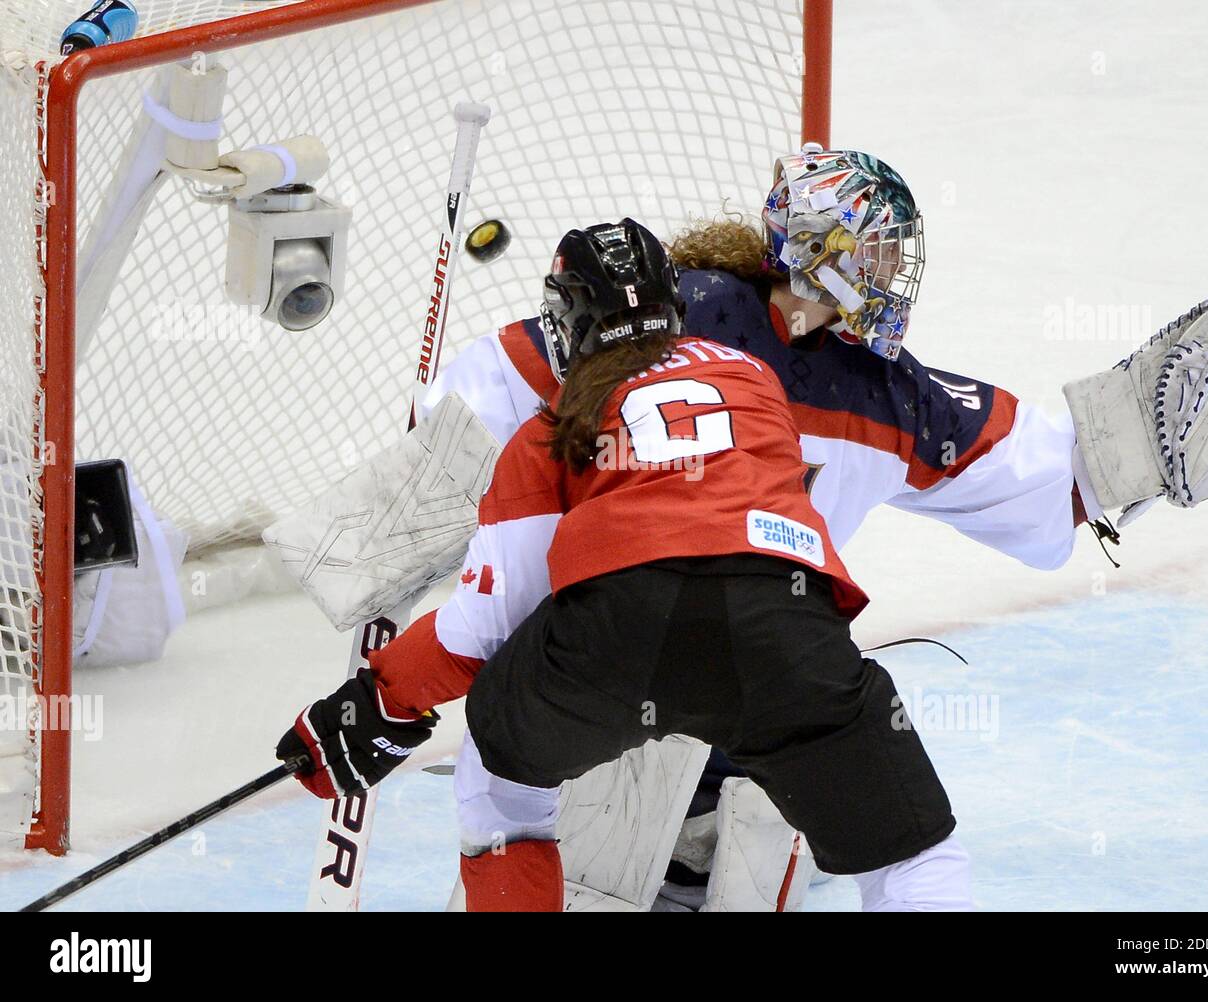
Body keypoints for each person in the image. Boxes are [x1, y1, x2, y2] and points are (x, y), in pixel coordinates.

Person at [277, 218, 971, 911]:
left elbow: (481, 631)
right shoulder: (754, 377)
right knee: (911, 850)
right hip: (783, 630)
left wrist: (378, 703)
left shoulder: (551, 427)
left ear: (564, 317)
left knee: (502, 777)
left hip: (616, 638)